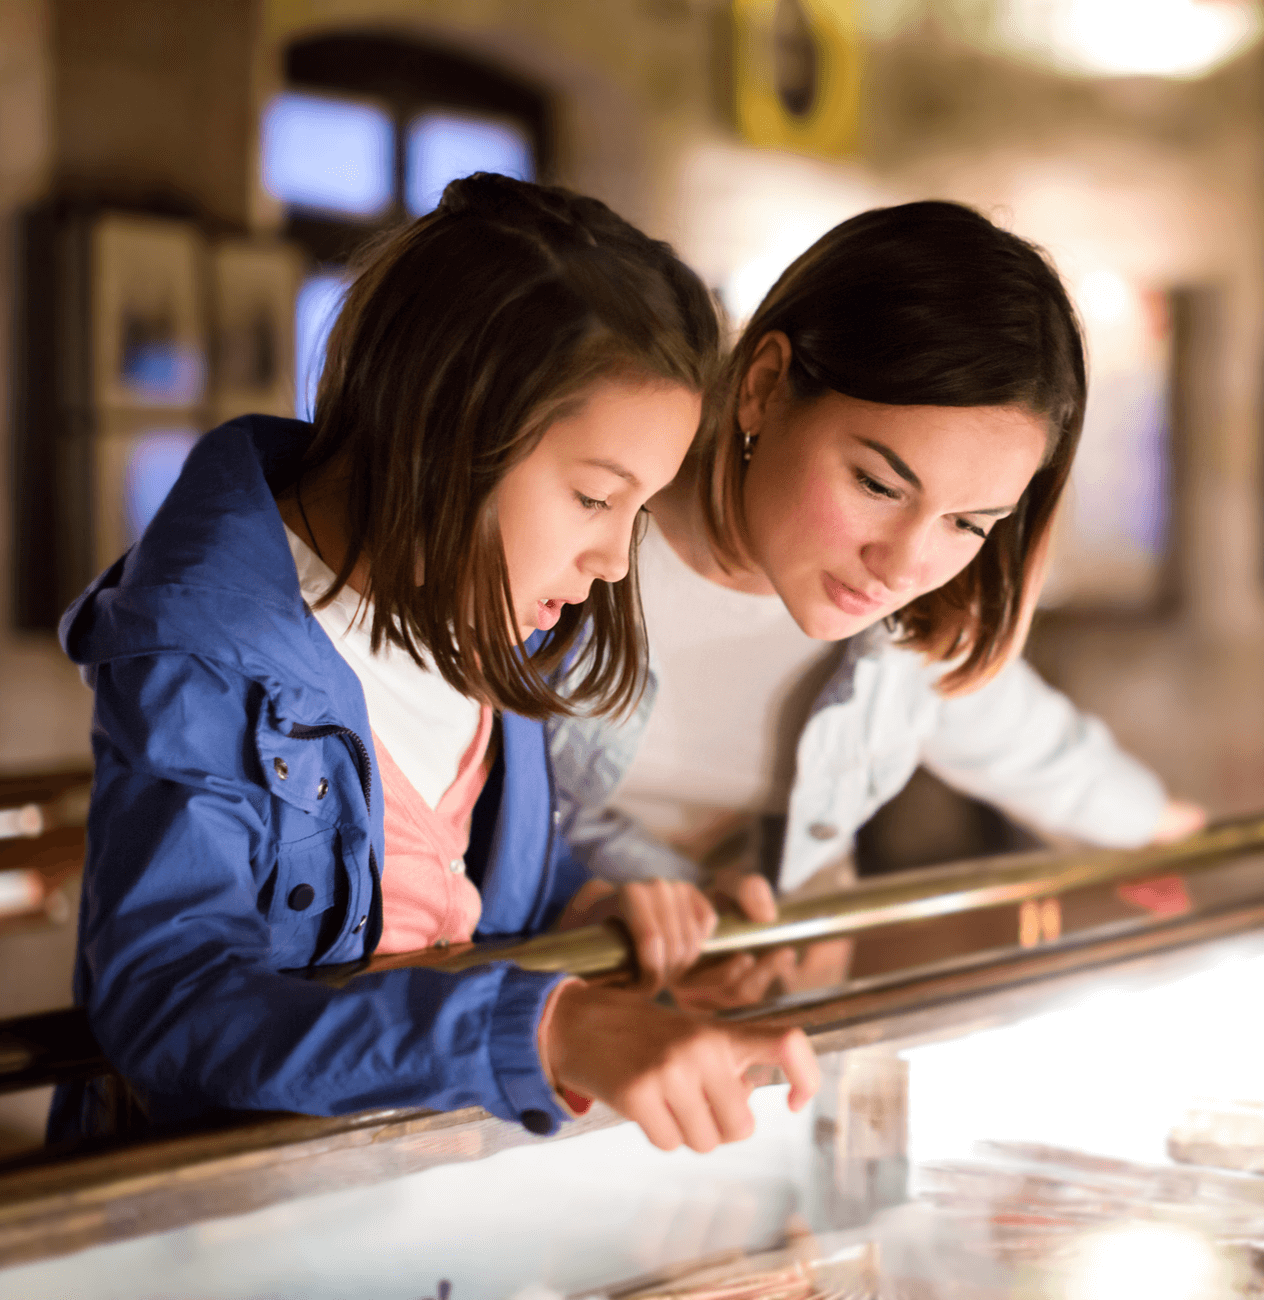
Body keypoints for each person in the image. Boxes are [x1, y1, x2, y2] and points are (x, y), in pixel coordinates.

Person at [50, 176, 818, 1156]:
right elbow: (171, 1002)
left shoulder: (492, 617)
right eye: (594, 498)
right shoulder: (203, 655)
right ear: (444, 434)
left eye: (639, 509)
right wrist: (548, 1026)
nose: (616, 561)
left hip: (416, 1194)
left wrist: (590, 906)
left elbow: (445, 882)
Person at [550, 200, 1204, 917]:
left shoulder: (919, 635)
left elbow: (1048, 758)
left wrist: (1176, 841)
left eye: (968, 523)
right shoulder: (564, 555)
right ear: (765, 387)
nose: (902, 567)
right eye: (878, 485)